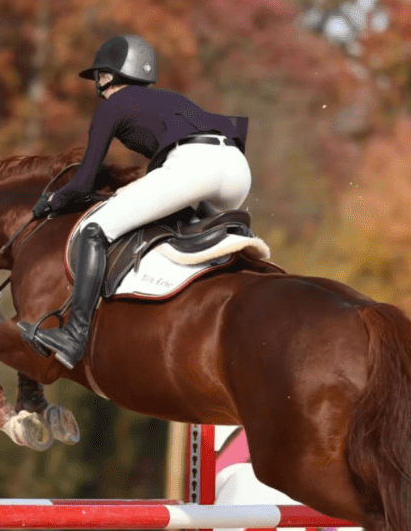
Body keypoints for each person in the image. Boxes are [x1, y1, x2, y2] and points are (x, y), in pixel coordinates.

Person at [18, 34, 252, 369]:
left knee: (94, 230)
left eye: (99, 77)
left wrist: (53, 201)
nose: (97, 85)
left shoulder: (112, 105)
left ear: (108, 76)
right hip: (237, 170)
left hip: (194, 166)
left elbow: (84, 182)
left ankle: (74, 334)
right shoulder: (170, 99)